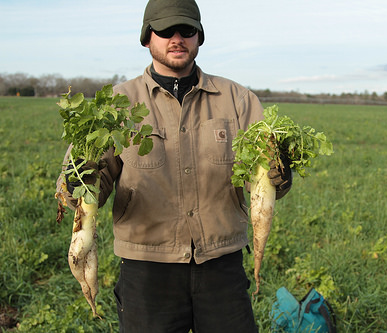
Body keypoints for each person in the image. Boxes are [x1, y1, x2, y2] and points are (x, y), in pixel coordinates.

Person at [56, 0, 292, 332]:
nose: (176, 38)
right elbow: (90, 184)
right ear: (147, 37)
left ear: (199, 36)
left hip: (221, 265)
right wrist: (75, 182)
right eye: (165, 30)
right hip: (147, 270)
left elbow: (261, 184)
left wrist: (277, 176)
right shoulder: (115, 106)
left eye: (187, 30)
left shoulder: (238, 100)